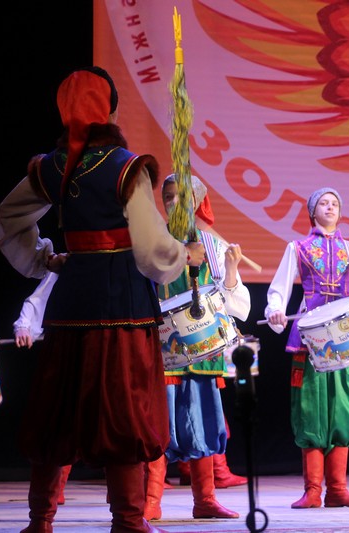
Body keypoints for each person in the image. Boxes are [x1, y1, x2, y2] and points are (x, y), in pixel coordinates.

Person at [0, 66, 206, 533]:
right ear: (109, 108)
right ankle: (128, 521)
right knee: (124, 408)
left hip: (71, 304)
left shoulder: (52, 166)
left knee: (59, 406)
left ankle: (40, 519)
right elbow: (151, 248)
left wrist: (46, 258)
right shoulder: (126, 166)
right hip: (122, 306)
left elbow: (8, 217)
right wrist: (183, 255)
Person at [265, 187, 349, 509]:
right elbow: (279, 288)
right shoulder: (297, 247)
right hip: (311, 337)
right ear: (312, 211)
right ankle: (312, 490)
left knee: (345, 409)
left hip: (346, 336)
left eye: (335, 203)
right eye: (323, 203)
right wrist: (276, 310)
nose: (330, 207)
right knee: (310, 409)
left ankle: (337, 489)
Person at [142, 174, 251, 521]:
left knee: (203, 423)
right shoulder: (152, 242)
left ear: (198, 202)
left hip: (205, 350)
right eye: (168, 197)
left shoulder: (214, 246)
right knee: (159, 425)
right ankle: (150, 500)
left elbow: (238, 307)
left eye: (182, 197)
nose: (174, 203)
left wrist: (230, 270)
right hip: (164, 350)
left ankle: (205, 499)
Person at [12, 272, 77, 505]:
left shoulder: (122, 263)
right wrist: (24, 326)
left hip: (107, 347)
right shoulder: (68, 263)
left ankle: (125, 506)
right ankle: (47, 503)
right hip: (68, 350)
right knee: (60, 424)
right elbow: (38, 299)